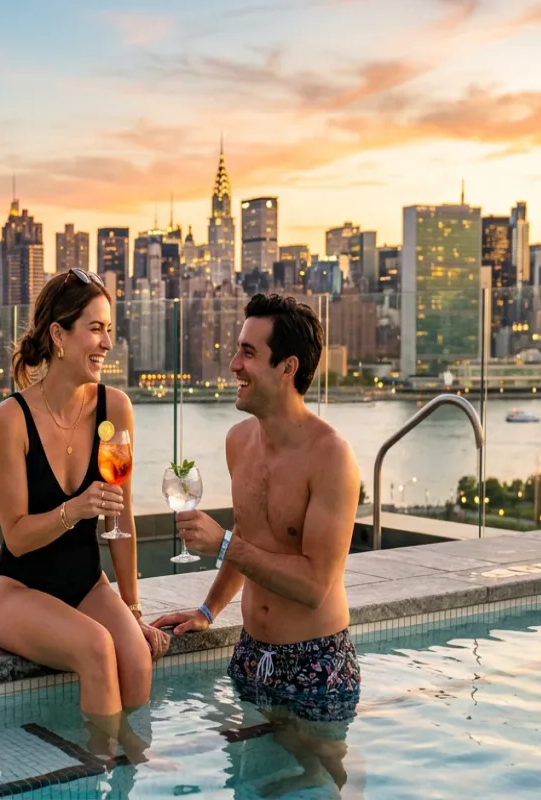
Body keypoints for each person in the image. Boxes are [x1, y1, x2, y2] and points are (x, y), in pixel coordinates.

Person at [153, 293, 361, 784]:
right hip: (251, 658)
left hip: (316, 664)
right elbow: (252, 532)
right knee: (249, 789)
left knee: (310, 789)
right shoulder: (237, 443)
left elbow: (314, 585)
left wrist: (222, 544)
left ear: (287, 367)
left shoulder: (332, 458)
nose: (234, 364)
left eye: (248, 352)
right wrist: (208, 610)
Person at [0, 269, 171, 744]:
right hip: (21, 591)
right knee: (95, 647)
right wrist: (75, 508)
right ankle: (94, 775)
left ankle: (130, 772)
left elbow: (122, 516)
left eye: (109, 328)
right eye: (95, 328)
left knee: (133, 652)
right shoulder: (13, 419)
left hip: (85, 584)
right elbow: (17, 537)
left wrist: (131, 606)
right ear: (58, 336)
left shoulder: (116, 409)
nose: (107, 342)